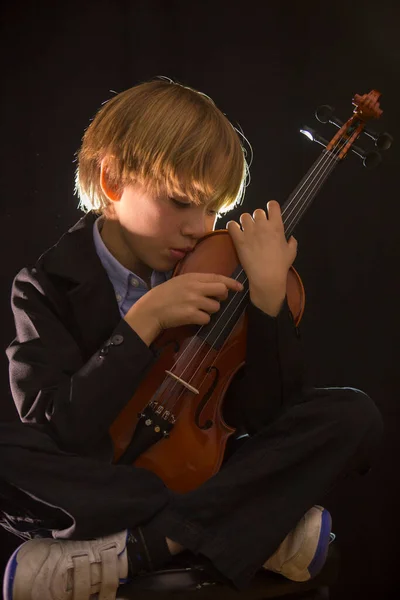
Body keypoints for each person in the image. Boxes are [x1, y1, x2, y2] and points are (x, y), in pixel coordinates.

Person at [0, 78, 383, 600]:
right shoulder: (42, 286)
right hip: (98, 471)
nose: (200, 229)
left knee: (350, 416)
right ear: (112, 180)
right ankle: (245, 521)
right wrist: (145, 321)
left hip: (198, 462)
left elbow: (264, 415)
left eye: (212, 211)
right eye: (181, 203)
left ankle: (144, 545)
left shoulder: (218, 264)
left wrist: (267, 298)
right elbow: (58, 426)